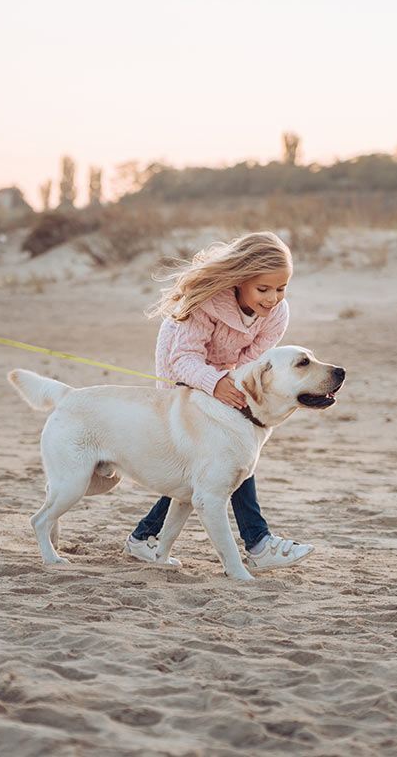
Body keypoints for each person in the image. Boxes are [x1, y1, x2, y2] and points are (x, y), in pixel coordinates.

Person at [124, 231, 312, 570]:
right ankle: (258, 542)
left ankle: (143, 537)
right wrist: (214, 383)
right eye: (264, 289)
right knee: (220, 454)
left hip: (228, 374)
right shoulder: (206, 304)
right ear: (240, 280)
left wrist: (231, 382)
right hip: (183, 367)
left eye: (281, 288)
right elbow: (184, 359)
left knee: (207, 463)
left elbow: (253, 364)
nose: (273, 298)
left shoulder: (277, 313)